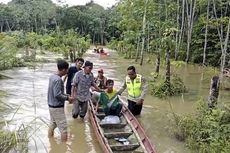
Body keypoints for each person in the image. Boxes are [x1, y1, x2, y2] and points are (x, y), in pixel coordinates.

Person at [47, 59, 74, 141]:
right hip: (57, 107)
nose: (67, 72)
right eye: (67, 70)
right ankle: (64, 148)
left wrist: (66, 95)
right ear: (63, 70)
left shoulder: (52, 77)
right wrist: (67, 98)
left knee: (53, 124)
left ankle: (50, 141)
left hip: (51, 106)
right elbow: (57, 95)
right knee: (64, 129)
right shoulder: (58, 80)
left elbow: (55, 92)